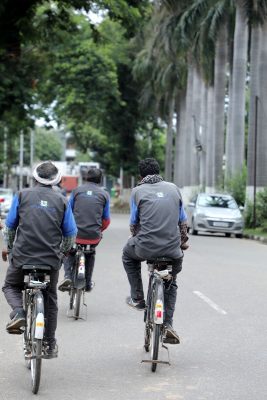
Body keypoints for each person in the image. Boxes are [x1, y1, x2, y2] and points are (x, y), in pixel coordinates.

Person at [2, 161, 77, 357]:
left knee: (10, 285)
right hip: (50, 260)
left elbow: (10, 227)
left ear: (34, 178)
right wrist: (62, 252)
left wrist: (10, 250)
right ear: (56, 180)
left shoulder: (22, 195)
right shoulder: (62, 200)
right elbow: (70, 234)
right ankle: (50, 345)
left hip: (22, 256)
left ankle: (19, 311)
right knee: (50, 298)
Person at [122, 158, 189, 344]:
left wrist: (136, 238)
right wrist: (182, 244)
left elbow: (134, 224)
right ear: (159, 172)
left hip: (145, 249)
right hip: (173, 252)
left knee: (127, 256)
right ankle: (168, 324)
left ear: (140, 176)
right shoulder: (174, 189)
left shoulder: (137, 191)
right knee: (171, 281)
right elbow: (183, 222)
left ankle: (138, 298)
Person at [58, 168, 110, 292]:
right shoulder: (104, 195)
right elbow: (106, 220)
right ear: (100, 180)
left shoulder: (76, 191)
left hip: (75, 233)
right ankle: (87, 283)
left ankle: (67, 277)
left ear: (86, 178)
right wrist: (99, 230)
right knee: (90, 253)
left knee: (69, 250)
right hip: (93, 236)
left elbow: (68, 213)